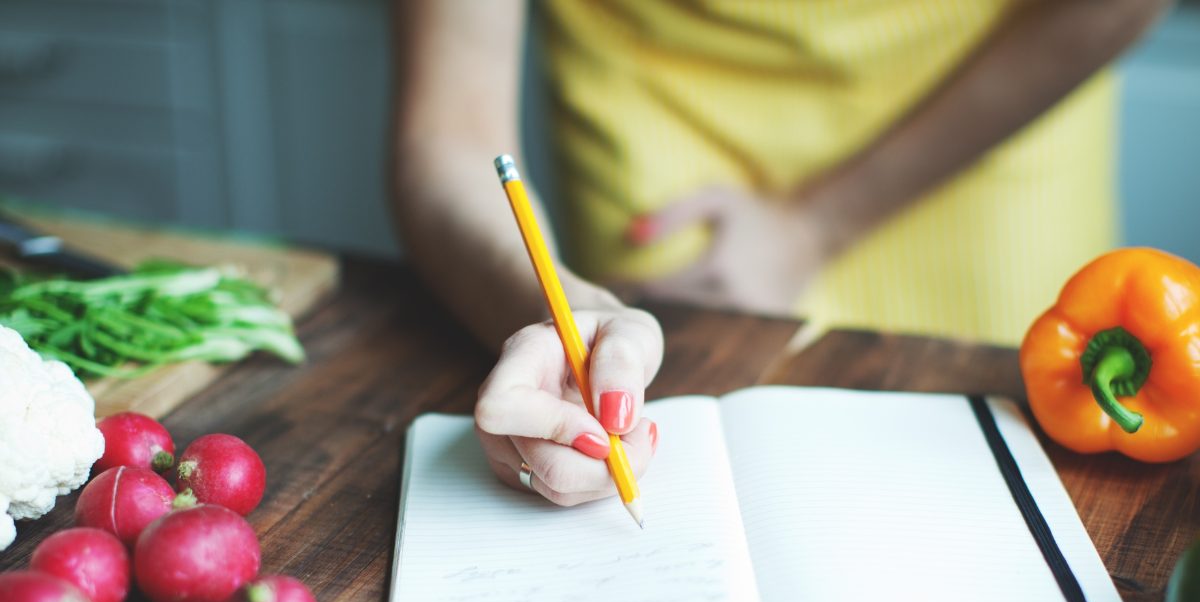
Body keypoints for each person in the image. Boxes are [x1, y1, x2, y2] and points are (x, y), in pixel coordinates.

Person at [390, 0, 1172, 509]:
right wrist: (559, 309)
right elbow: (451, 132)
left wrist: (815, 226)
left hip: (984, 125)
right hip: (667, 156)